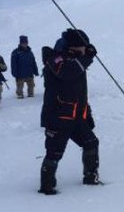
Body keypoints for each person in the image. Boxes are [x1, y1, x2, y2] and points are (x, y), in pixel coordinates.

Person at [38, 29, 101, 195]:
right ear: (72, 47)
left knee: (91, 142)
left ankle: (90, 177)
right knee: (54, 152)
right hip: (58, 117)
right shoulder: (55, 58)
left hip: (77, 117)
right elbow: (67, 72)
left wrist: (87, 114)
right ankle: (47, 187)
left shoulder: (76, 59)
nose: (85, 50)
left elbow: (80, 92)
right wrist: (87, 57)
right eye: (82, 47)